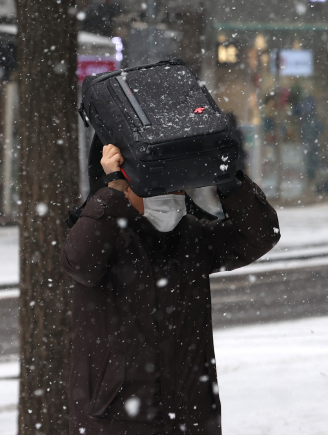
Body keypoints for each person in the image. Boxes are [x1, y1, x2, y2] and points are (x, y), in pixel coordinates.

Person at [61, 140, 280, 435]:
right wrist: (110, 190)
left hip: (191, 415)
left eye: (178, 188)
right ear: (126, 186)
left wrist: (228, 179)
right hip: (115, 419)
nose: (172, 197)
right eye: (158, 187)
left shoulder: (191, 236)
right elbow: (80, 263)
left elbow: (261, 234)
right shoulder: (103, 234)